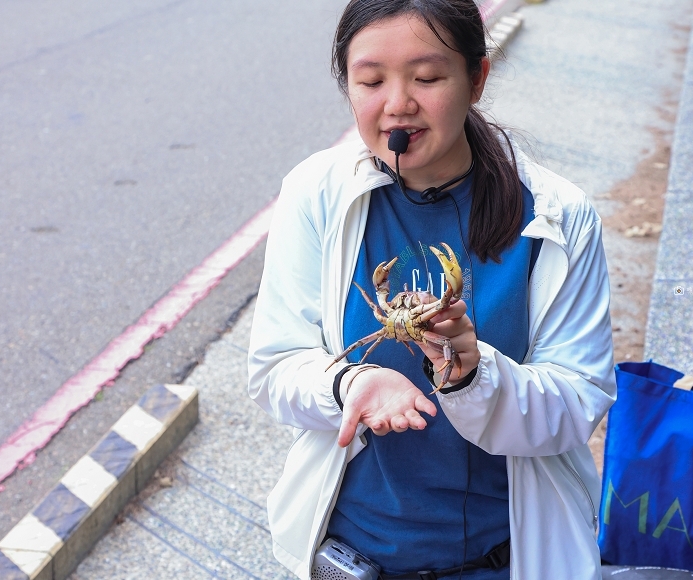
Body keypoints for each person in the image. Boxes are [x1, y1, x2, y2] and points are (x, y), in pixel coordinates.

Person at [247, 0, 616, 578]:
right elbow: (276, 367)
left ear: (477, 79)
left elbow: (578, 402)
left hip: (506, 554)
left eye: (427, 77)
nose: (398, 105)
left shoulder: (559, 216)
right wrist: (352, 381)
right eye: (371, 80)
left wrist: (472, 373)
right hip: (354, 550)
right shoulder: (316, 193)